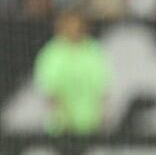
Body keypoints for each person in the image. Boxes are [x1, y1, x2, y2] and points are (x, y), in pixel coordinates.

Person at [34, 10, 110, 141]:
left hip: (90, 124)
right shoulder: (51, 53)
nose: (73, 29)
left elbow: (103, 84)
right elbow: (47, 88)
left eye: (77, 25)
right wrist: (62, 116)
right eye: (69, 25)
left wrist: (101, 113)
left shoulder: (93, 50)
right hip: (60, 127)